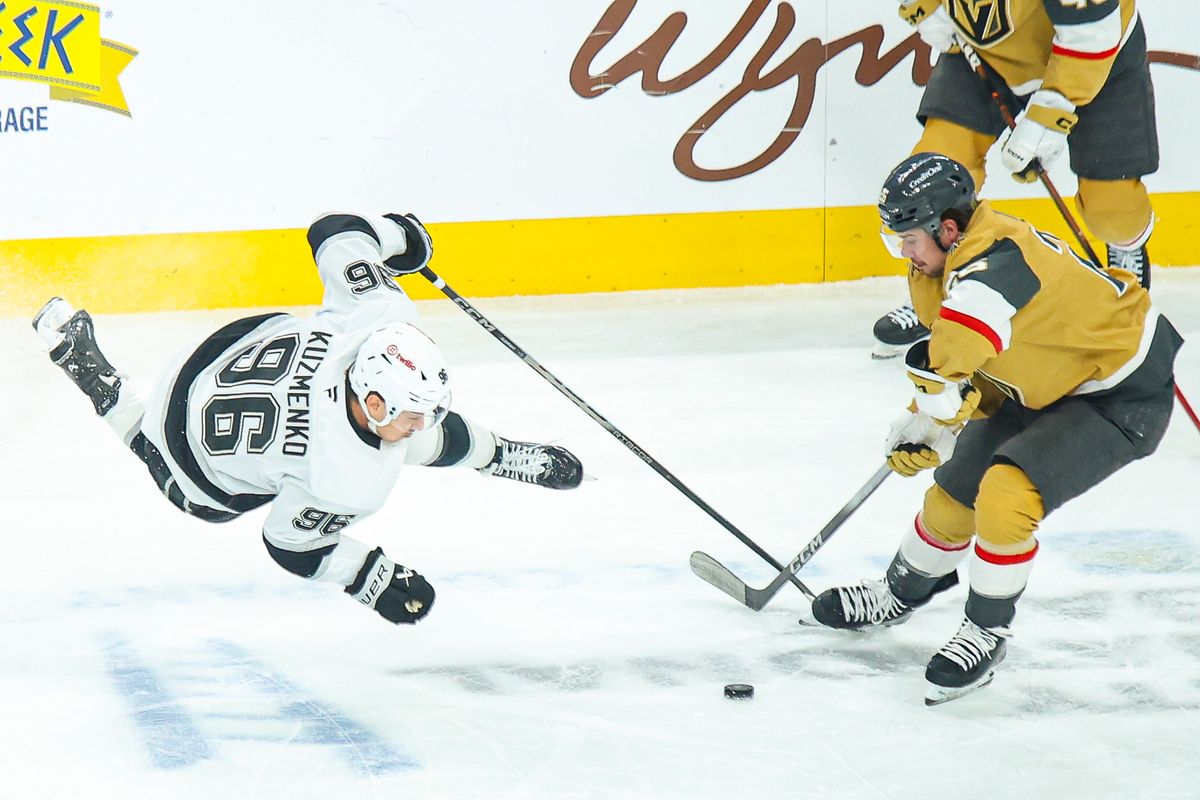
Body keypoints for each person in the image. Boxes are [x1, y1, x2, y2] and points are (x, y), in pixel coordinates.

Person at [33, 211, 584, 626]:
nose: (422, 421)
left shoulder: (376, 317)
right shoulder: (345, 479)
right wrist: (370, 577)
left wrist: (399, 237)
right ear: (373, 402)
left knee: (402, 442)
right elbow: (286, 542)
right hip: (192, 452)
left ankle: (500, 455)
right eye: (413, 412)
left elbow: (334, 229)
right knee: (197, 495)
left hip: (218, 353)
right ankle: (95, 376)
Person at [812, 153, 1181, 705]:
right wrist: (943, 419)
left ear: (950, 228)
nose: (905, 253)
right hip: (1043, 378)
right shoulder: (940, 263)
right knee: (952, 498)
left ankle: (987, 631)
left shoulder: (993, 265)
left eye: (908, 239)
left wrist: (930, 420)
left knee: (1005, 498)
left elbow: (955, 353)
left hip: (1117, 391)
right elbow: (977, 362)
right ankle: (900, 592)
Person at [872, 0, 1158, 359]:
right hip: (987, 52)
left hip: (1095, 56)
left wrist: (1051, 114)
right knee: (931, 179)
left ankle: (1126, 248)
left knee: (1112, 209)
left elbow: (1091, 33)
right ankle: (937, 291)